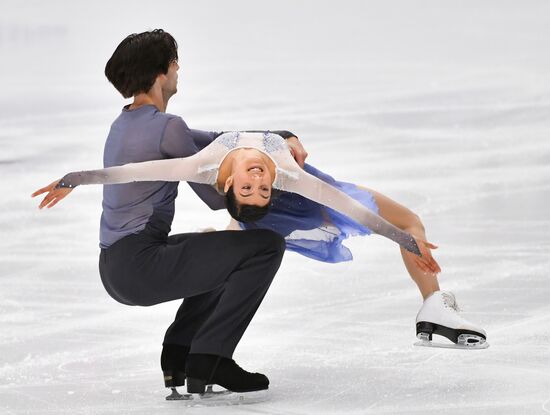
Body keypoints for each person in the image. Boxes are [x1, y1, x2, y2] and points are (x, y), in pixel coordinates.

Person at [31, 29, 312, 396]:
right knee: (266, 247)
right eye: (174, 61)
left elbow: (216, 139)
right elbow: (215, 197)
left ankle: (179, 356)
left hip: (116, 267)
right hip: (142, 267)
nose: (179, 68)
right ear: (161, 72)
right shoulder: (168, 127)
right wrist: (267, 184)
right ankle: (212, 356)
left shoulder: (126, 123)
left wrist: (280, 135)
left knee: (217, 247)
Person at [34, 128, 488, 348]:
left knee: (409, 225)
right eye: (257, 186)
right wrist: (407, 241)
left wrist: (71, 177)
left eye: (253, 185)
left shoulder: (229, 165)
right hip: (284, 215)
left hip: (285, 211)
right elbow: (136, 172)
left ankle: (432, 306)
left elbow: (136, 170)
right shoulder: (250, 172)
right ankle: (435, 304)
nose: (254, 178)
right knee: (410, 223)